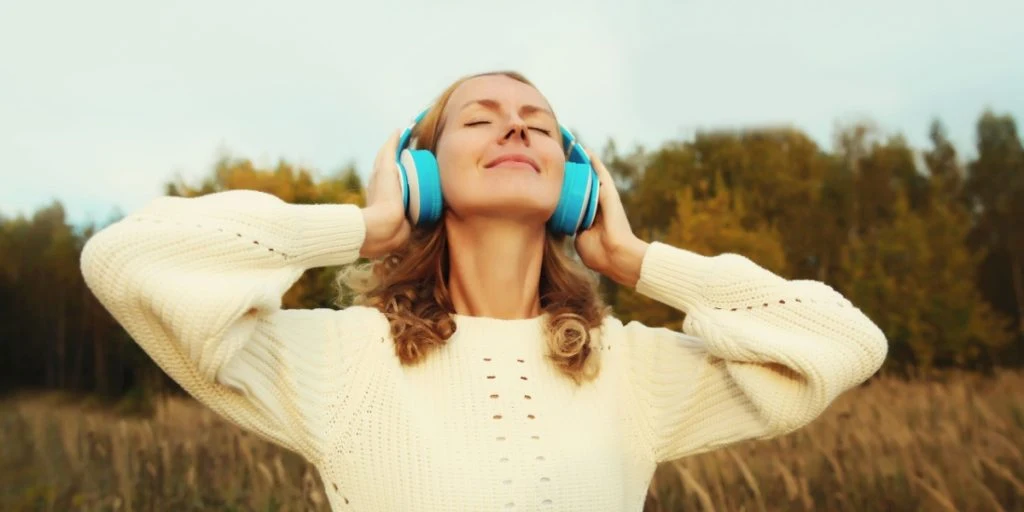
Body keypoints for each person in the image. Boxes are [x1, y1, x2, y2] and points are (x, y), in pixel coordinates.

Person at [80, 70, 888, 512]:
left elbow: (846, 343)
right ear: (421, 173)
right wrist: (366, 226)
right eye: (483, 117)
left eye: (540, 121)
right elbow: (129, 261)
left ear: (575, 185)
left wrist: (636, 259)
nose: (518, 127)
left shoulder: (629, 372)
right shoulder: (342, 361)